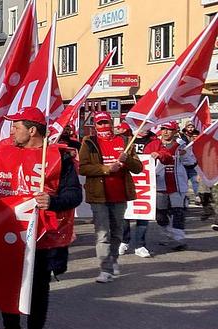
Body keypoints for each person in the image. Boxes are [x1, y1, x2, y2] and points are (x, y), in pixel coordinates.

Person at [0, 107, 81, 329]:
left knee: (37, 290)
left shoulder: (57, 157)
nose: (11, 131)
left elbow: (75, 194)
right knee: (6, 286)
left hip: (42, 236)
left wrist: (51, 201)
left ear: (32, 130)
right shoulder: (5, 152)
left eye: (16, 126)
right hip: (7, 232)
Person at [78, 111, 142, 283]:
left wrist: (127, 159)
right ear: (95, 125)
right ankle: (105, 269)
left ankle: (113, 260)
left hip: (120, 195)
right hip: (98, 195)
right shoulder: (89, 142)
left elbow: (138, 168)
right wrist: (106, 169)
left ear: (111, 123)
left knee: (117, 232)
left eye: (106, 122)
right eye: (100, 123)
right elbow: (83, 168)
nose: (103, 126)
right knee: (102, 233)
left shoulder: (125, 141)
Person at [121, 126, 169, 258]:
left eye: (148, 126)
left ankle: (140, 245)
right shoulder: (124, 139)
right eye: (143, 126)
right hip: (126, 180)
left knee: (143, 213)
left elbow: (168, 156)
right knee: (124, 212)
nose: (146, 129)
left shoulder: (155, 141)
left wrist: (160, 154)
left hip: (145, 183)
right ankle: (124, 240)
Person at [155, 122, 196, 251]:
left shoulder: (181, 145)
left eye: (169, 129)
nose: (166, 132)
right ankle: (168, 234)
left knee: (178, 213)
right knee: (160, 214)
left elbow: (192, 163)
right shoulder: (155, 144)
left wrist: (185, 155)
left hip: (177, 184)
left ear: (175, 131)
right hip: (159, 184)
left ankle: (179, 239)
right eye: (163, 129)